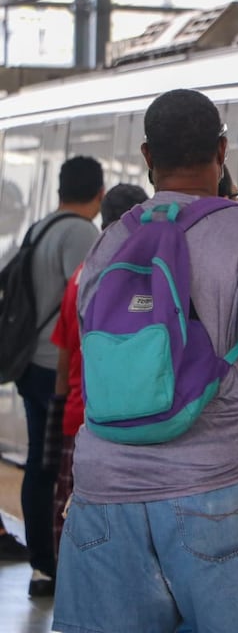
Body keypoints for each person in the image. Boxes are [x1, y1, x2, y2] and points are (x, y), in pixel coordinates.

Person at [52, 89, 238, 633]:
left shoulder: (111, 242)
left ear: (148, 158)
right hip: (220, 485)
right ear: (222, 152)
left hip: (105, 492)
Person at [17, 154, 104, 597]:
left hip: (31, 361)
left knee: (39, 464)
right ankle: (55, 561)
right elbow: (85, 301)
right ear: (99, 193)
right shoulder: (83, 234)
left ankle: (40, 560)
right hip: (60, 369)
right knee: (57, 468)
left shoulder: (41, 227)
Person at [48, 183, 149, 560]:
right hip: (115, 421)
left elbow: (64, 353)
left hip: (79, 410)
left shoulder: (82, 272)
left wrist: (60, 410)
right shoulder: (134, 274)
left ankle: (67, 587)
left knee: (73, 519)